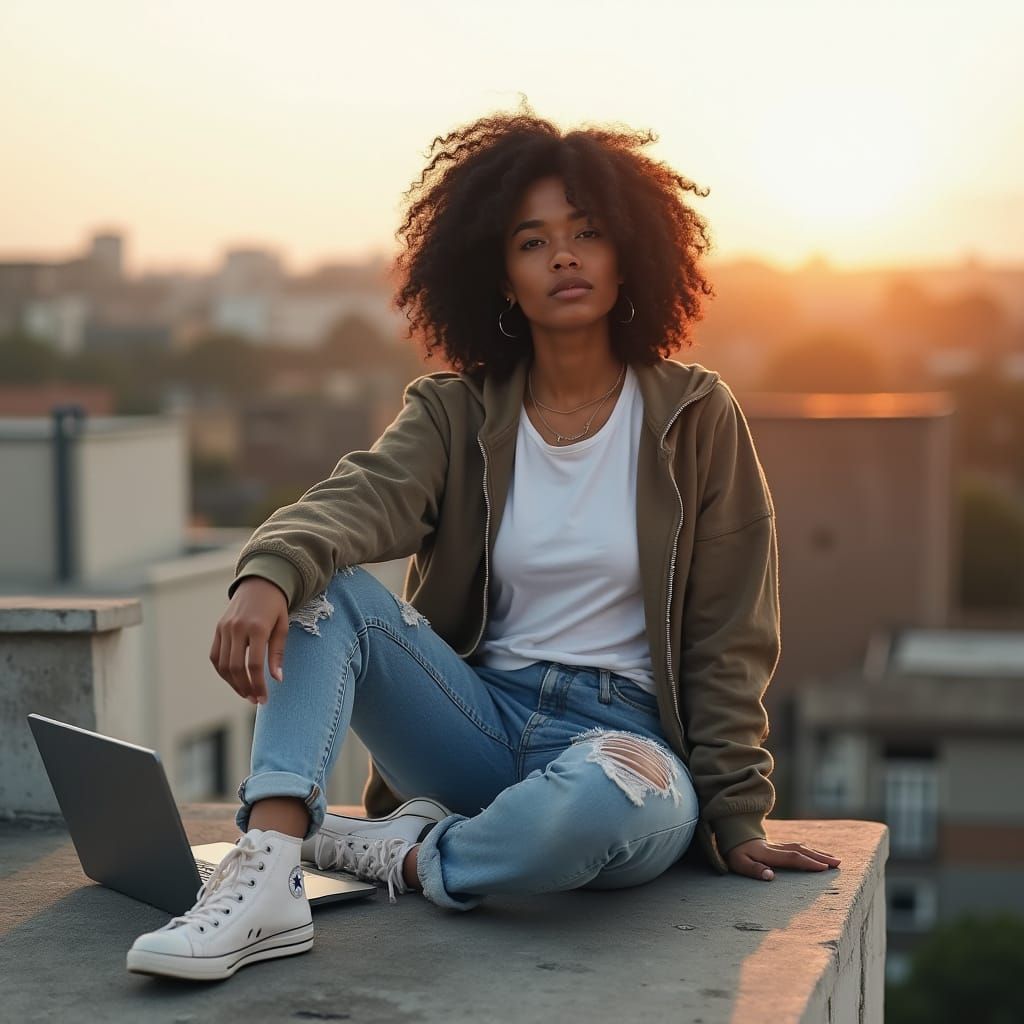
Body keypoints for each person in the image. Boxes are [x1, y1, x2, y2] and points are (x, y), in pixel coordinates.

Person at [126, 105, 840, 981]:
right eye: (533, 242)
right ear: (502, 278)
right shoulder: (454, 412)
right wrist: (268, 573)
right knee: (327, 588)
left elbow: (732, 638)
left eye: (587, 233)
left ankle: (404, 856)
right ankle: (268, 872)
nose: (564, 257)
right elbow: (362, 496)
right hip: (474, 720)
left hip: (622, 743)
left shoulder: (696, 416)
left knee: (602, 804)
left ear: (629, 255)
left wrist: (735, 818)